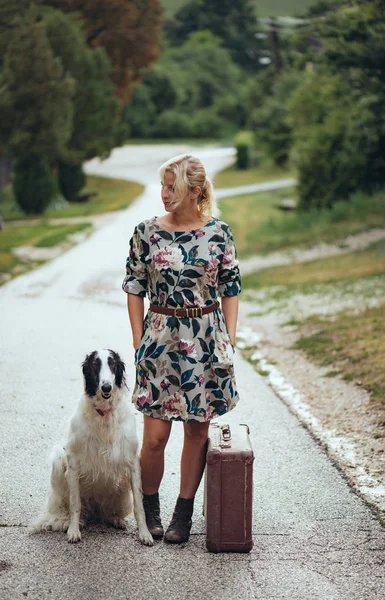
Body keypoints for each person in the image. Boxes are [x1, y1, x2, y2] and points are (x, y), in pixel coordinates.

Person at [122, 154, 241, 544]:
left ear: (195, 191)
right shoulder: (146, 232)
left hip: (206, 342)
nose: (164, 194)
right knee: (155, 437)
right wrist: (140, 343)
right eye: (162, 186)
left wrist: (229, 340)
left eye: (171, 187)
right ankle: (149, 505)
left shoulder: (219, 233)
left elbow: (231, 289)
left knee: (197, 430)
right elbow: (134, 288)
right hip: (160, 339)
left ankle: (183, 512)